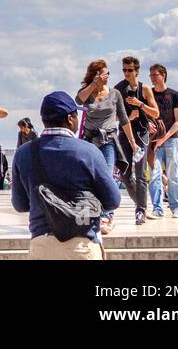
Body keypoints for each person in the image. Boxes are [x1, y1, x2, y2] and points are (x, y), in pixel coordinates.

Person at [11, 91, 121, 260]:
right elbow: (113, 200)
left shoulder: (23, 153)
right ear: (70, 118)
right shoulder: (88, 151)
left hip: (42, 244)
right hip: (82, 243)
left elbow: (20, 205)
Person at [74, 60, 138, 234]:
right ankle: (88, 213)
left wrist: (132, 142)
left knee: (107, 176)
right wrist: (94, 84)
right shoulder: (86, 92)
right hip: (89, 140)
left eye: (108, 73)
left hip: (108, 140)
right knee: (88, 178)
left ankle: (107, 215)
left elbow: (124, 119)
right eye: (103, 73)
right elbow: (78, 100)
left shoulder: (115, 93)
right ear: (95, 75)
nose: (107, 76)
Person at [114, 55, 159, 224]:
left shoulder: (145, 89)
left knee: (140, 174)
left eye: (130, 70)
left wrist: (140, 104)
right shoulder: (118, 89)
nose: (126, 73)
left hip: (141, 135)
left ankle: (140, 210)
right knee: (124, 174)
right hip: (125, 135)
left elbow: (156, 113)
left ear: (137, 71)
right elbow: (113, 117)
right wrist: (127, 118)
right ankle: (140, 203)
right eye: (124, 70)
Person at [148, 64, 178, 218]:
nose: (152, 77)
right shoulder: (148, 94)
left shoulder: (174, 95)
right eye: (150, 75)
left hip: (170, 140)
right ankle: (157, 208)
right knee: (154, 174)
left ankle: (175, 206)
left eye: (154, 74)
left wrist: (164, 138)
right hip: (152, 141)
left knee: (173, 174)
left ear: (163, 75)